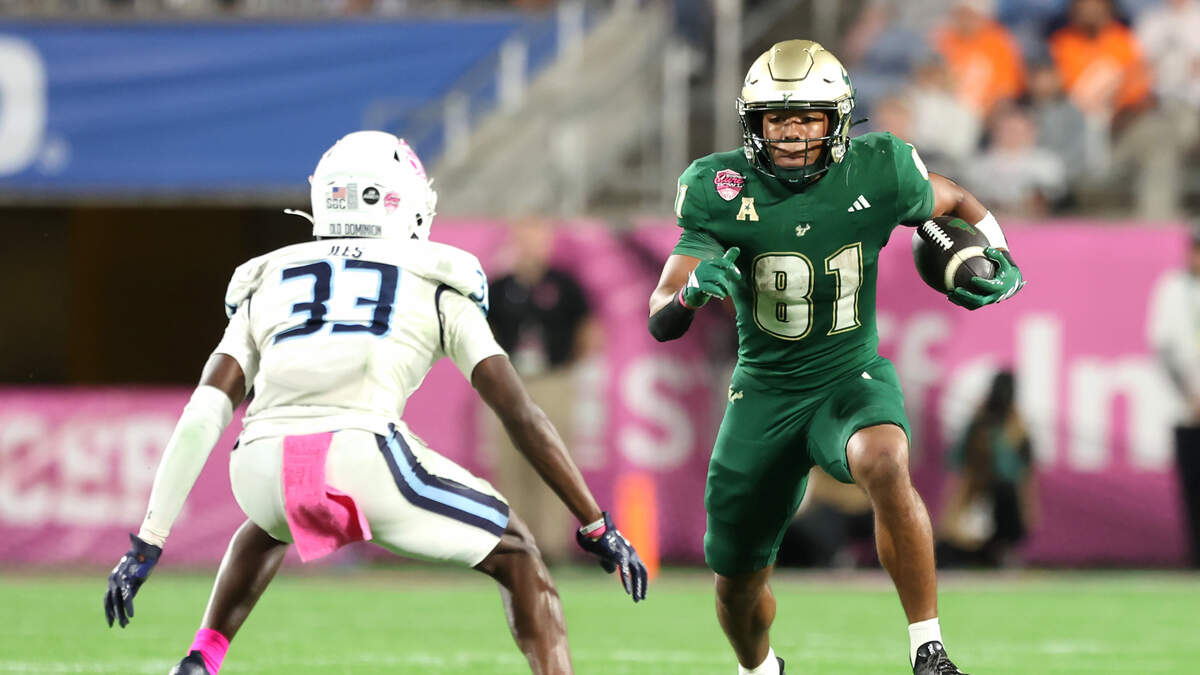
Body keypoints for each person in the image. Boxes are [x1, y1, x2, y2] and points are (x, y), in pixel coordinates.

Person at [103, 130, 647, 675]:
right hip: (361, 455)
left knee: (268, 524)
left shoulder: (266, 277)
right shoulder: (439, 278)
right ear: (401, 200)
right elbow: (519, 413)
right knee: (518, 551)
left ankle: (201, 659)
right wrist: (594, 523)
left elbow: (202, 415)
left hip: (258, 464)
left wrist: (149, 541)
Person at [647, 40, 1024, 675]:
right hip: (763, 393)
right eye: (776, 118)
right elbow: (661, 313)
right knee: (737, 585)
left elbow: (956, 200)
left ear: (839, 120)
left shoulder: (879, 170)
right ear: (753, 123)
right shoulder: (720, 187)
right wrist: (687, 294)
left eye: (808, 118)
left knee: (885, 457)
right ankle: (759, 668)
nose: (792, 133)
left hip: (849, 374)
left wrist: (1001, 255)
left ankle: (928, 648)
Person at [487, 217, 599, 564]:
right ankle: (516, 541)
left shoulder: (564, 284)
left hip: (553, 377)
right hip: (511, 380)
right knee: (510, 461)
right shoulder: (499, 287)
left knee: (556, 460)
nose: (531, 246)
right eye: (525, 238)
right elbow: (484, 329)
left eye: (537, 238)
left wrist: (567, 366)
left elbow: (589, 329)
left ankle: (552, 546)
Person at [936, 370, 1038, 568]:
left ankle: (998, 552)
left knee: (1005, 493)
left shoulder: (1017, 427)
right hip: (976, 494)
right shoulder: (979, 424)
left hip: (1003, 504)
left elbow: (1024, 472)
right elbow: (959, 463)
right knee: (952, 546)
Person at [1148, 224, 1200, 567]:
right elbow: (1165, 348)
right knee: (1193, 486)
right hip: (1187, 411)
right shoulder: (1174, 288)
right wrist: (1191, 396)